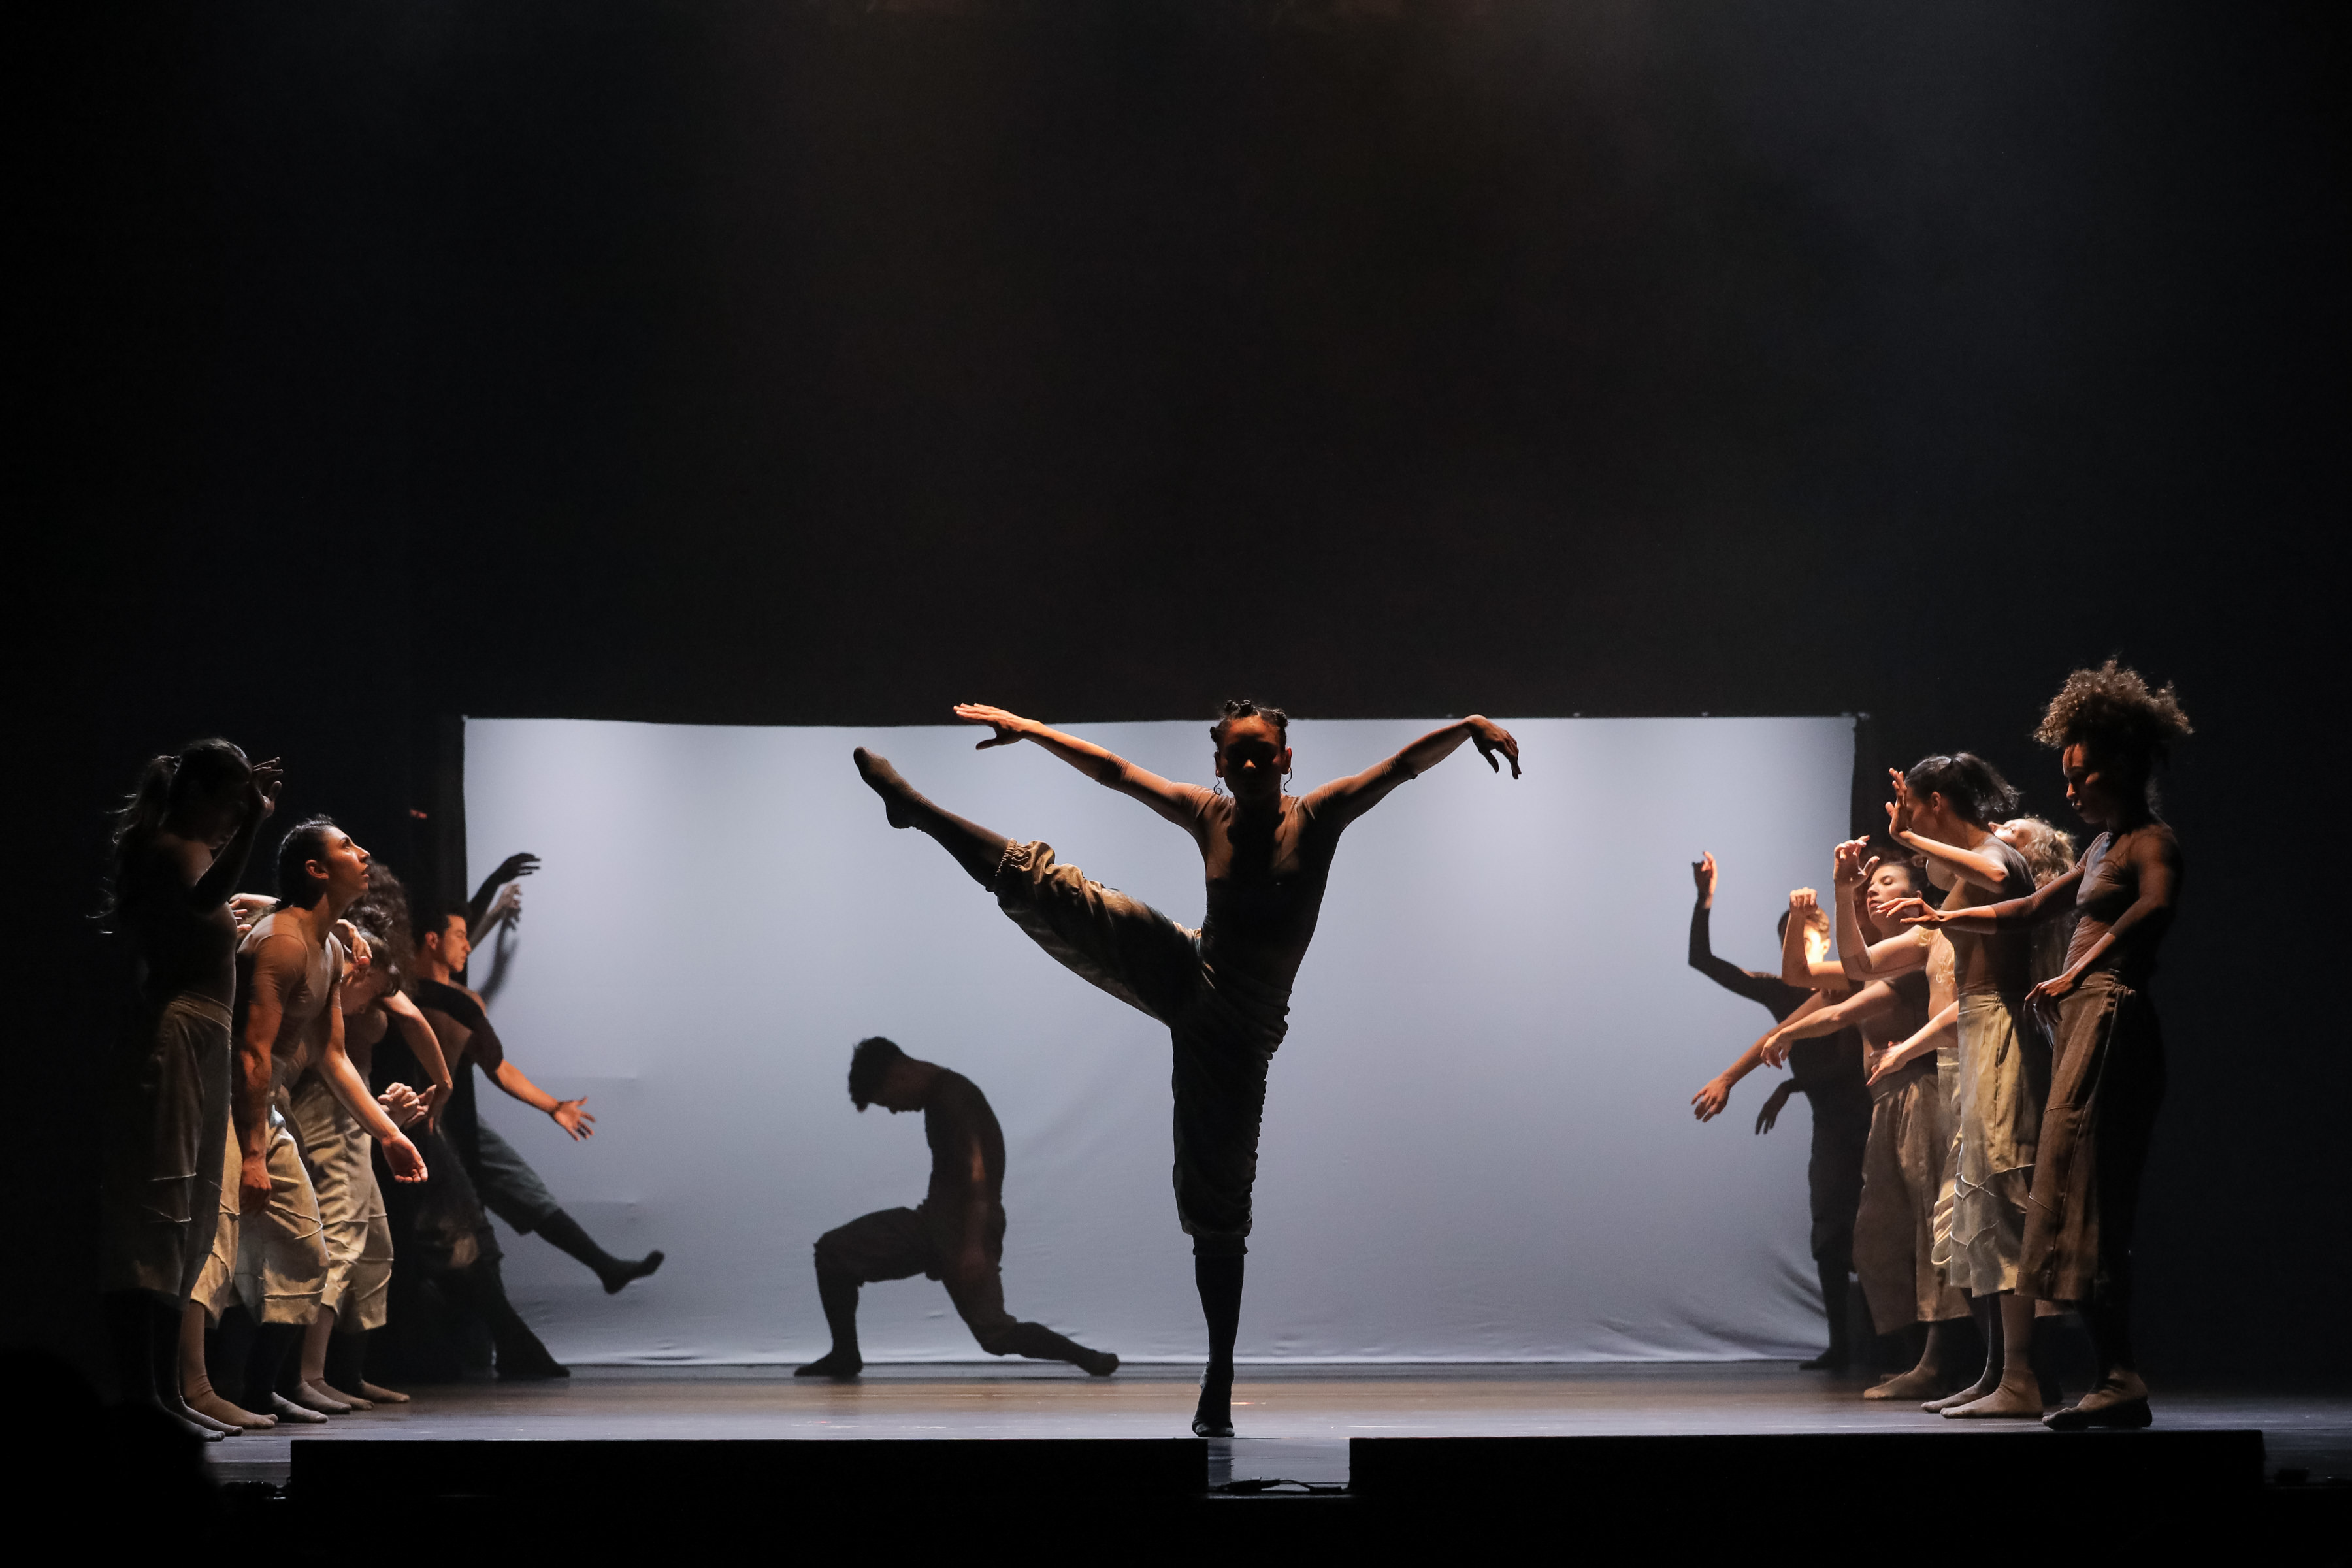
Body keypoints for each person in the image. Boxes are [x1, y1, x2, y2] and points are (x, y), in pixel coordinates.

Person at [851, 699, 1521, 1435]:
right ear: (1220, 765)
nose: (1252, 764)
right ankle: (916, 809)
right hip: (1188, 968)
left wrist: (1465, 728)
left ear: (1287, 760)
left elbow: (1398, 768)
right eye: (1239, 754)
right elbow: (1116, 772)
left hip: (1236, 1033)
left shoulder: (1318, 817)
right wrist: (1032, 730)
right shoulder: (1209, 814)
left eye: (1265, 752)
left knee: (1219, 1208)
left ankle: (1220, 1374)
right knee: (1054, 888)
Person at [1895, 664, 2187, 1429]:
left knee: (2085, 1196)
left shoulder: (2150, 844)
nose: (2070, 791)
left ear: (2118, 767)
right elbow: (2025, 905)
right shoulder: (2099, 847)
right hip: (2084, 1011)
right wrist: (1937, 919)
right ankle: (2110, 1372)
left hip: (2113, 1012)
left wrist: (2076, 972)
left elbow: (2154, 910)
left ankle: (2112, 1373)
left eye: (2081, 775)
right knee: (2063, 1195)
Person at [98, 740, 280, 1439]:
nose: (238, 817)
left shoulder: (194, 851)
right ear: (201, 794)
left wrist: (252, 822)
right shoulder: (169, 845)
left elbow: (215, 899)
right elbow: (204, 896)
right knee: (158, 1209)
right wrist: (260, 822)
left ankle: (168, 1395)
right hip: (174, 1038)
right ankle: (142, 1395)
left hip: (203, 1039)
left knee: (194, 1212)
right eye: (232, 802)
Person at [223, 819, 429, 1420]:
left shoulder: (333, 949)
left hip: (271, 1107)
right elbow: (252, 1055)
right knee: (216, 1255)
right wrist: (255, 1154)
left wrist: (388, 1134)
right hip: (234, 1106)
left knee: (310, 1253)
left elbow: (336, 1058)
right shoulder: (282, 942)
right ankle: (214, 1389)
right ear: (316, 870)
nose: (363, 853)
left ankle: (265, 1389)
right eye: (347, 847)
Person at [1864, 756, 2046, 1418]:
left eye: (1910, 807)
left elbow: (2000, 875)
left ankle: (2021, 1376)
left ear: (1934, 802)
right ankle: (2001, 1371)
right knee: (1975, 1211)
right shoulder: (1966, 873)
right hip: (1977, 1031)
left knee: (2002, 1198)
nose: (1903, 818)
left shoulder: (1998, 853)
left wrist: (1911, 842)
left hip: (1998, 1027)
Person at [1758, 852, 1973, 1397]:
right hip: (1888, 1100)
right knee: (1878, 1237)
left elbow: (1836, 1013)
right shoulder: (1888, 957)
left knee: (1929, 1231)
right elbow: (1799, 975)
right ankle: (1911, 1356)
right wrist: (1805, 919)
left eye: (1888, 882)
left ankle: (1935, 1361)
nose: (1874, 892)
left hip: (1923, 1092)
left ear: (1915, 893)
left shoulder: (1921, 951)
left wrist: (1790, 1034)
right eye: (1870, 886)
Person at [797, 1038, 1119, 1379]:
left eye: (888, 1100)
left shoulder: (953, 1098)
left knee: (996, 1334)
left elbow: (978, 1176)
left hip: (957, 1228)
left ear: (900, 1073)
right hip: (940, 1225)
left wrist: (973, 1244)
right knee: (835, 1253)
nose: (893, 1109)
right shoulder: (945, 1097)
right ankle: (845, 1354)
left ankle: (1088, 1358)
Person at [407, 900, 664, 1296]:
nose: (468, 946)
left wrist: (554, 1107)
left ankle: (604, 1265)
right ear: (432, 940)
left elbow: (500, 1068)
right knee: (457, 1232)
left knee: (522, 1186)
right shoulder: (402, 992)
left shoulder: (464, 1001)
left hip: (457, 1117)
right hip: (410, 1120)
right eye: (460, 936)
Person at [1686, 857, 1871, 1371]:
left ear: (1825, 944)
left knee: (1880, 1231)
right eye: (1786, 939)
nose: (1795, 951)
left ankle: (1901, 1345)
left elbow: (1849, 1067)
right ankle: (1842, 1346)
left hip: (1871, 1115)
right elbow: (1703, 960)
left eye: (1804, 940)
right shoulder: (1781, 990)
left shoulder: (1848, 982)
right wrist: (1705, 900)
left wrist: (1789, 1086)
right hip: (1831, 1127)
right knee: (1830, 1233)